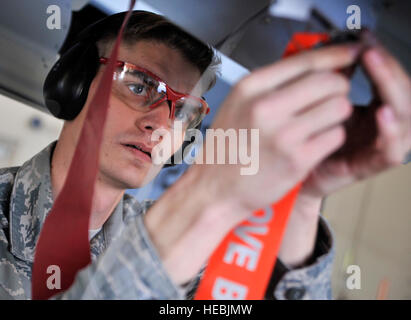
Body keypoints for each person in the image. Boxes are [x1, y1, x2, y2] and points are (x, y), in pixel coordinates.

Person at [0, 10, 410, 300]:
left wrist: (299, 196)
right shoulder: (183, 233)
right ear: (74, 82)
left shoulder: (191, 255)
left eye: (182, 110)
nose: (161, 124)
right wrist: (207, 197)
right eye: (140, 85)